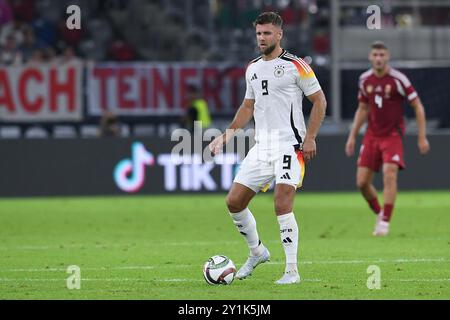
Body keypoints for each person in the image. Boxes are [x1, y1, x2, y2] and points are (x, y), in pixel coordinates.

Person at [208, 12, 327, 284]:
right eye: (259, 34)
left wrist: (310, 137)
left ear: (279, 34)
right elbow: (247, 106)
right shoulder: (252, 68)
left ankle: (292, 271)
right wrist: (226, 136)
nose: (261, 38)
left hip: (290, 145)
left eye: (267, 33)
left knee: (282, 202)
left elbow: (319, 101)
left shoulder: (296, 66)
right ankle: (257, 251)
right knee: (234, 202)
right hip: (262, 146)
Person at [345, 41, 430, 236]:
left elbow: (418, 106)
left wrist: (422, 136)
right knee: (361, 182)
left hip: (392, 135)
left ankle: (384, 222)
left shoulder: (398, 80)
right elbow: (363, 108)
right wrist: (352, 136)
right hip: (371, 136)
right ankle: (379, 212)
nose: (378, 59)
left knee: (389, 173)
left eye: (382, 55)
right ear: (370, 57)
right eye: (375, 55)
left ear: (387, 57)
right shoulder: (364, 80)